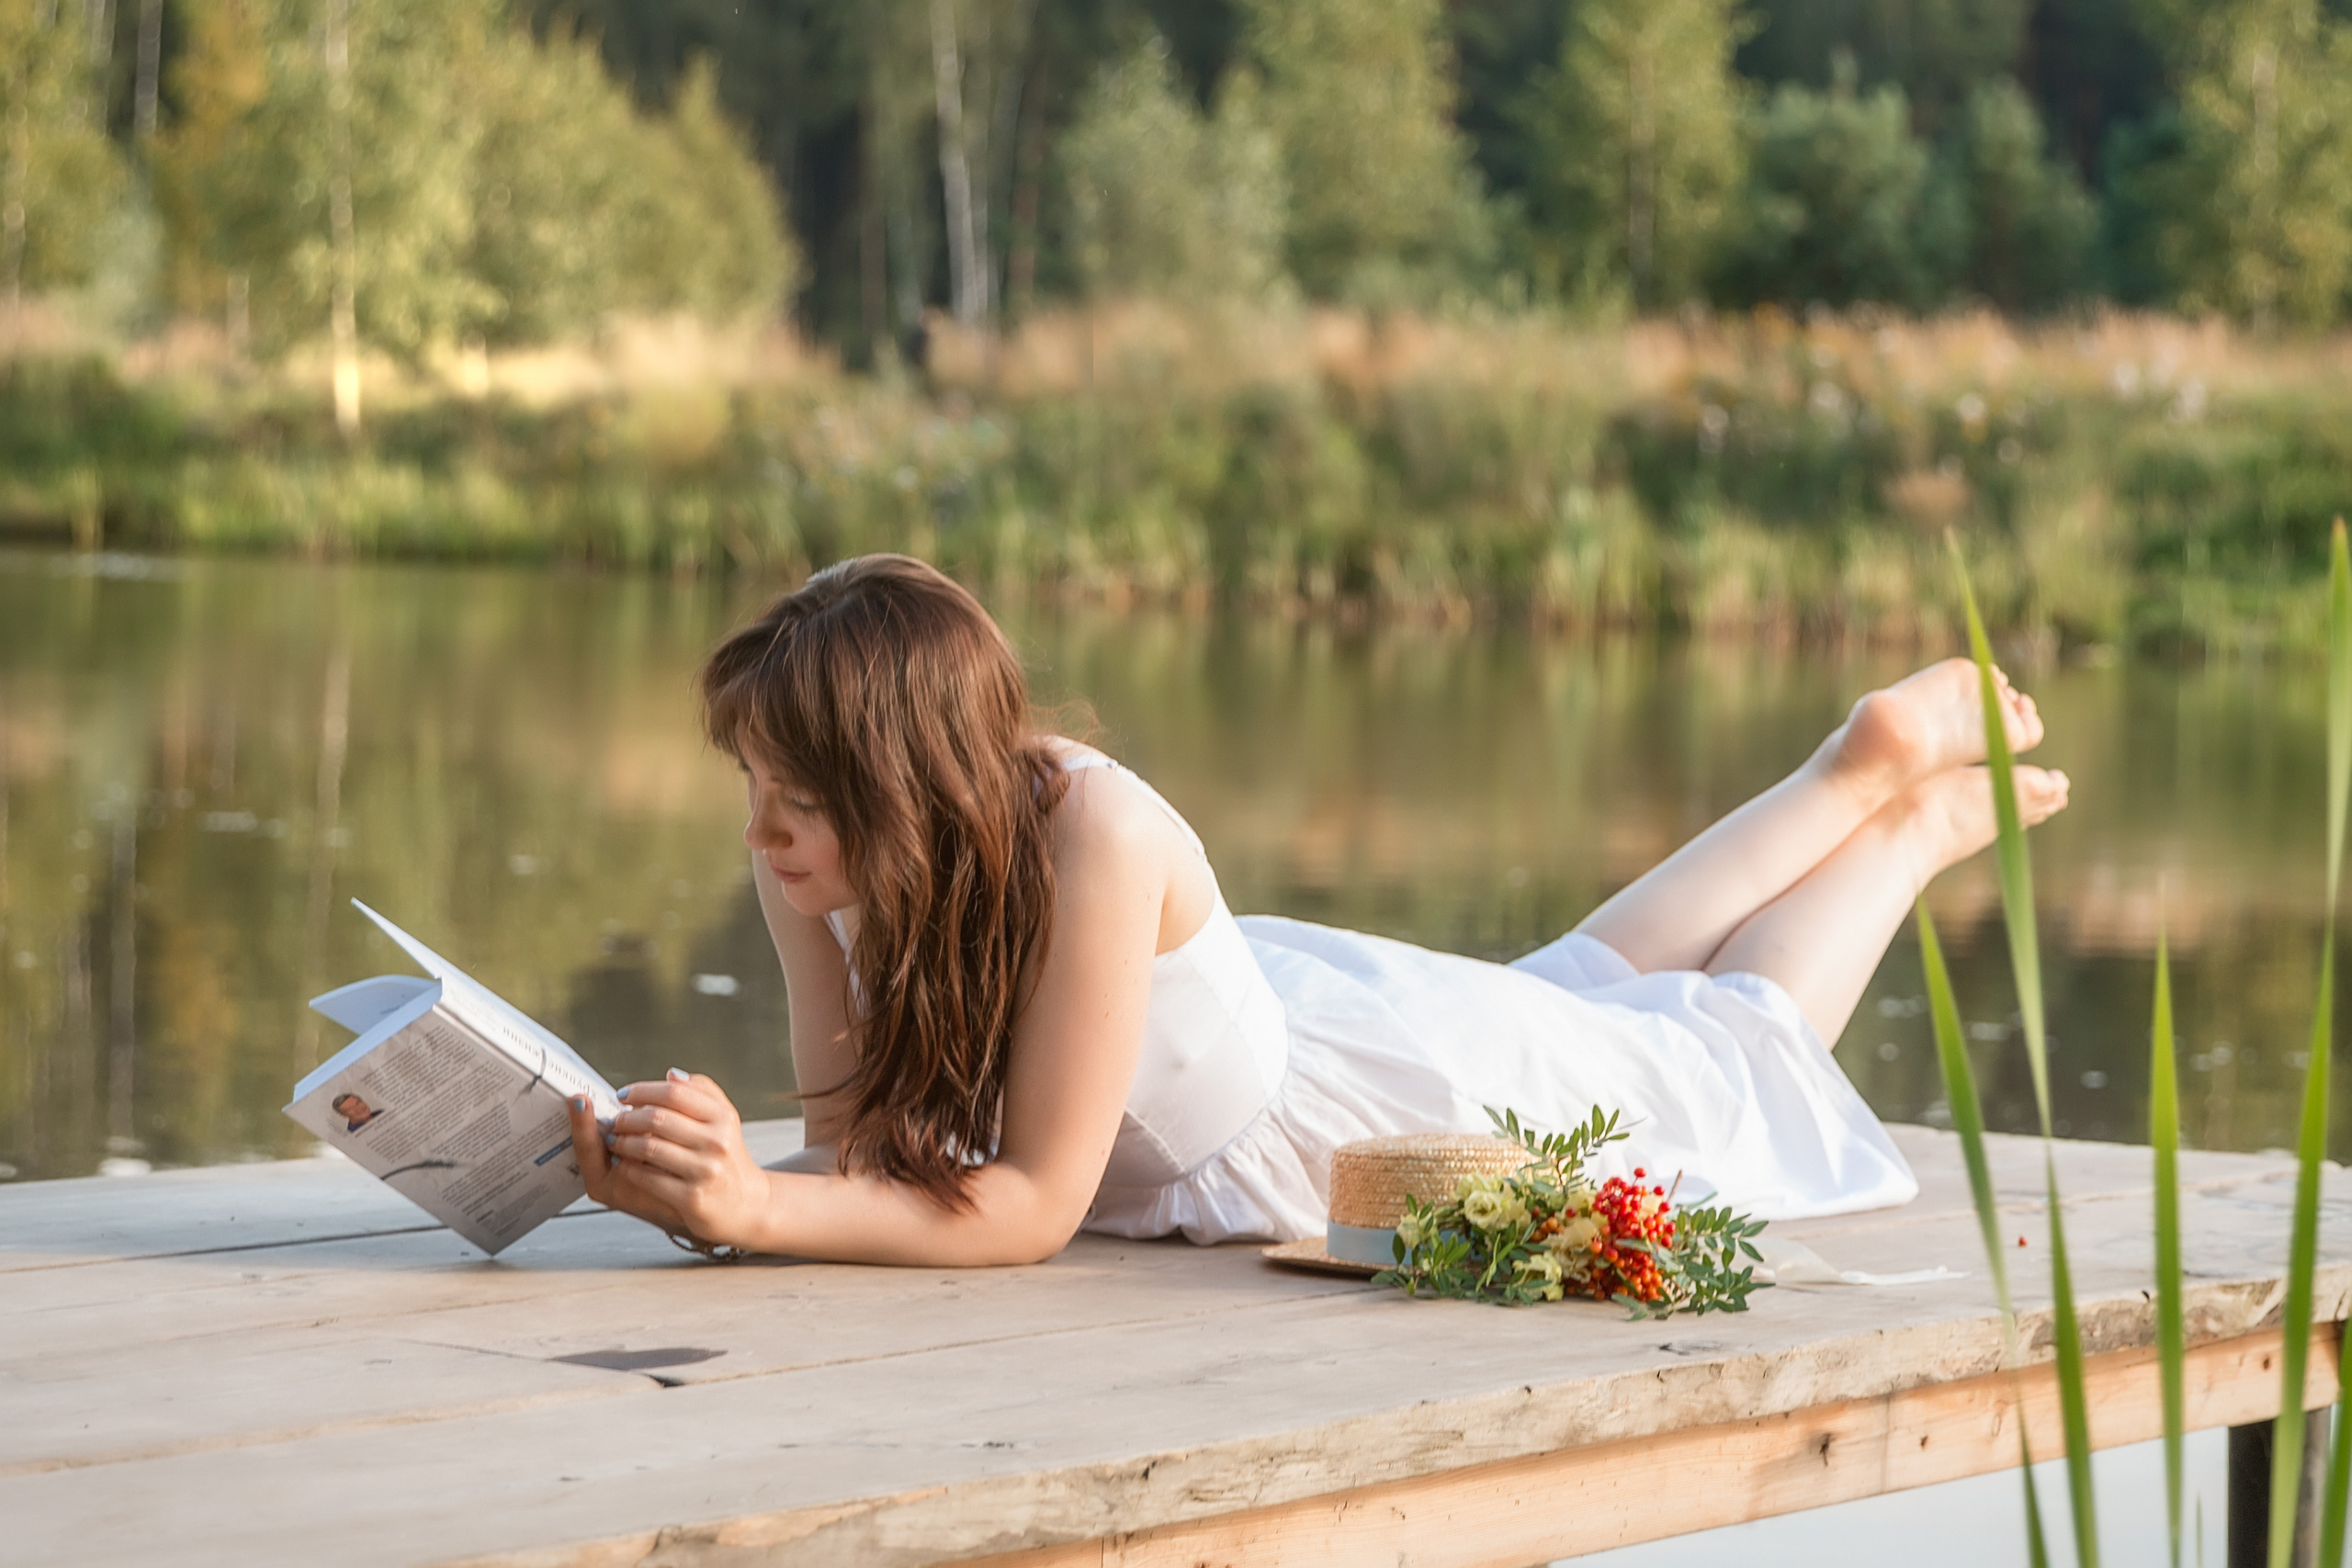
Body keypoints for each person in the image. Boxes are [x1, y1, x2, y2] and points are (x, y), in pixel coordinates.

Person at [566, 555, 2067, 1266]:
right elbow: (855, 1151)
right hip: (1275, 1034)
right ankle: (1847, 768)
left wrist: (756, 1208)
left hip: (1336, 1123)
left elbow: (1027, 1206)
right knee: (1582, 988)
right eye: (753, 787)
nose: (759, 835)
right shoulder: (820, 856)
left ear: (906, 783)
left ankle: (1911, 825)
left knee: (1720, 1058)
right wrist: (692, 1172)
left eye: (798, 802)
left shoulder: (1097, 828)